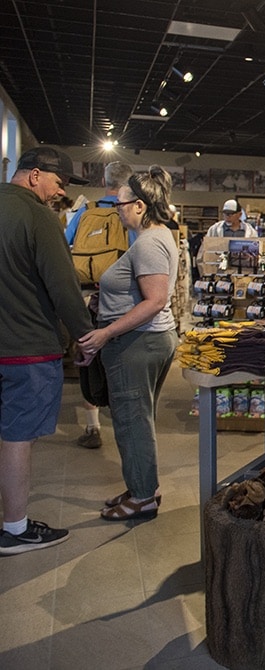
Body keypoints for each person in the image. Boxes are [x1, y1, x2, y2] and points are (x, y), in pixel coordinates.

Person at [0, 147, 93, 555]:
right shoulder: (39, 217)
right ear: (36, 175)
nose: (60, 193)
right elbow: (63, 286)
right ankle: (16, 529)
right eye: (59, 183)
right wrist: (84, 336)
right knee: (17, 437)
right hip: (27, 347)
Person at [77, 167, 181, 521]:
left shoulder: (149, 242)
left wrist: (106, 332)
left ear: (139, 205)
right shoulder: (155, 235)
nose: (116, 209)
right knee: (138, 418)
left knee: (131, 420)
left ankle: (142, 497)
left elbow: (153, 301)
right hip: (145, 339)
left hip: (137, 342)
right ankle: (141, 485)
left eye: (120, 203)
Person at [69, 160, 135, 450]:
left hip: (86, 295)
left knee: (89, 355)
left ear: (105, 181)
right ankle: (124, 417)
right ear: (128, 183)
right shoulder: (130, 213)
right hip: (122, 299)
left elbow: (65, 243)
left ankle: (92, 425)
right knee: (121, 358)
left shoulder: (85, 210)